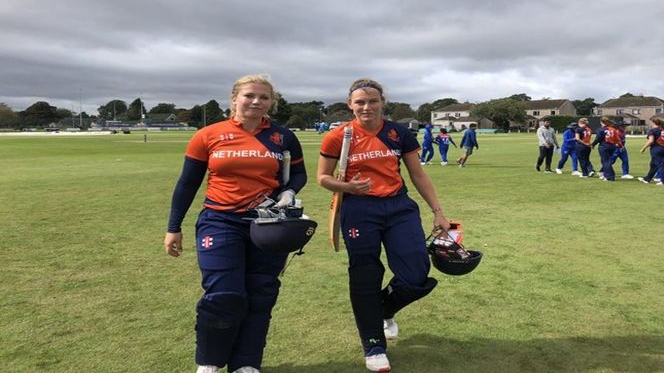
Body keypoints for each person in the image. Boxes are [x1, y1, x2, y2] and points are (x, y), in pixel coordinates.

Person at [163, 74, 308, 373]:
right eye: (249, 95)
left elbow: (298, 174)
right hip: (220, 220)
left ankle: (246, 363)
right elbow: (187, 184)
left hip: (267, 224)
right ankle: (210, 361)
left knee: (261, 294)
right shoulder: (209, 135)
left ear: (271, 102)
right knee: (224, 295)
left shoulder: (283, 137)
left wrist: (290, 192)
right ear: (234, 99)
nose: (256, 101)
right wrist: (173, 227)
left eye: (264, 97)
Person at [317, 78, 451, 372]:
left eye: (373, 101)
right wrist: (347, 187)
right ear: (350, 104)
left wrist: (438, 212)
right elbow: (322, 178)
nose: (367, 107)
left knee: (416, 274)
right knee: (365, 274)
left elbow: (418, 174)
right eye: (360, 102)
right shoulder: (338, 136)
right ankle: (373, 345)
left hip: (398, 207)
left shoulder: (398, 133)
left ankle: (383, 309)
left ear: (382, 102)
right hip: (358, 209)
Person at [638, 116, 664, 186]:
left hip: (656, 149)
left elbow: (651, 141)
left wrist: (644, 148)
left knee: (660, 165)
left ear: (653, 122)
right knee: (653, 164)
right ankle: (647, 179)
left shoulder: (653, 131)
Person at [591, 117, 622, 181]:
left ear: (601, 122)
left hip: (604, 146)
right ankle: (606, 175)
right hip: (612, 146)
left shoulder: (601, 129)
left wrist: (593, 144)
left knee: (605, 162)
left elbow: (598, 139)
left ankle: (610, 176)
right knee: (607, 161)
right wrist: (620, 146)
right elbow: (617, 139)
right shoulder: (613, 129)